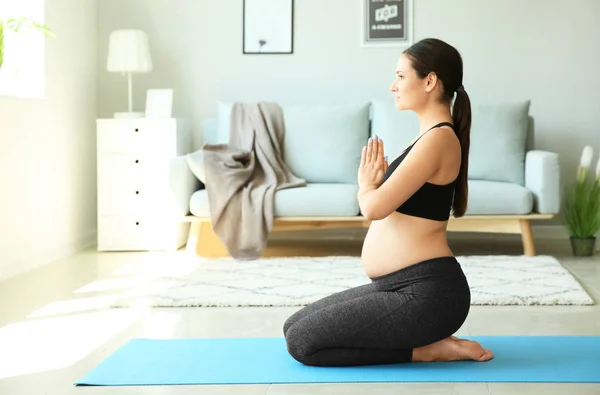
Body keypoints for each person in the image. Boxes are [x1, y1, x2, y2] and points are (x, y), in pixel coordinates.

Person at [282, 38, 495, 367]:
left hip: (428, 294)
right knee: (292, 327)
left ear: (429, 81)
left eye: (400, 76)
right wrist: (374, 185)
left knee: (303, 342)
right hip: (398, 287)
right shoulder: (427, 136)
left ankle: (428, 350)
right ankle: (428, 345)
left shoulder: (439, 138)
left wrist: (365, 187)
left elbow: (373, 208)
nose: (392, 85)